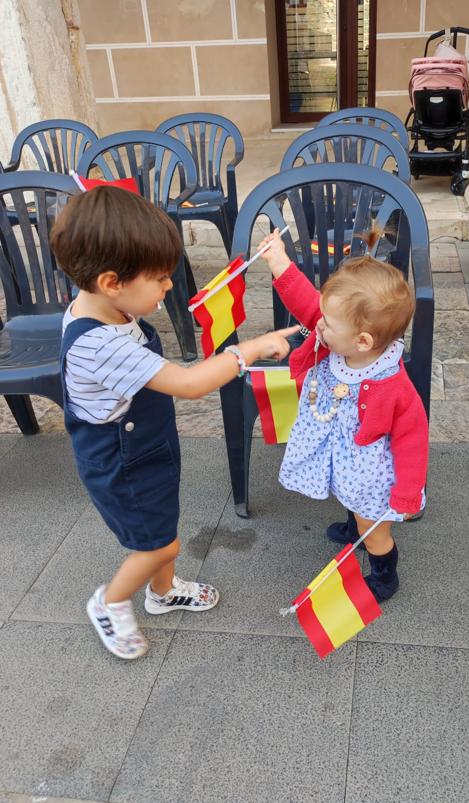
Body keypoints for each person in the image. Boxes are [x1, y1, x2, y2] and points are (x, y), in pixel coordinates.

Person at [50, 186, 297, 659]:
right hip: (122, 463)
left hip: (145, 447)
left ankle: (162, 593)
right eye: (160, 278)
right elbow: (188, 384)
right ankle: (111, 601)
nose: (169, 287)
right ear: (110, 282)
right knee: (157, 543)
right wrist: (249, 349)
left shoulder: (101, 306)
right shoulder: (100, 344)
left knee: (161, 528)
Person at [258, 228, 428, 602]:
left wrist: (407, 493)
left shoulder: (392, 385)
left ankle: (384, 574)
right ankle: (355, 525)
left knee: (376, 530)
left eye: (327, 324)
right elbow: (307, 302)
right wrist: (278, 261)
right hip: (346, 458)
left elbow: (412, 439)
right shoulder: (340, 335)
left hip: (371, 472)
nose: (317, 324)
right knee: (349, 496)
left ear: (363, 342)